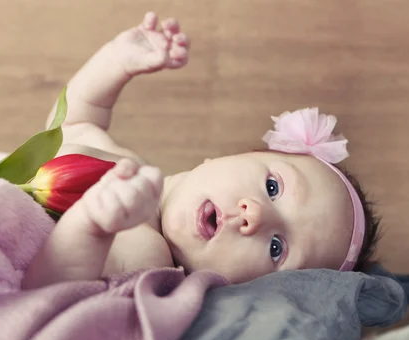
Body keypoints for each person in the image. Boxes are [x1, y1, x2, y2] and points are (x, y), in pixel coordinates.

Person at [22, 11, 380, 289]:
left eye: (276, 248)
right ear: (240, 155)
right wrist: (116, 63)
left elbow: (50, 287)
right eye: (272, 188)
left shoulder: (147, 251)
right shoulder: (130, 164)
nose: (253, 215)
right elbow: (70, 126)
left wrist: (93, 225)